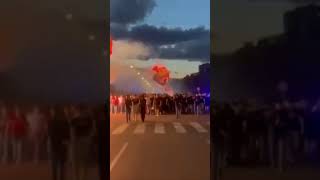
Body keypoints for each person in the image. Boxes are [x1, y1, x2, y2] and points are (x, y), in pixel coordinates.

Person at [70, 105, 94, 180]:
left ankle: (76, 178)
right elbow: (92, 131)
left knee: (75, 164)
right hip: (85, 142)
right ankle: (83, 178)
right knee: (84, 163)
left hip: (76, 143)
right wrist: (89, 140)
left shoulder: (74, 120)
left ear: (77, 110)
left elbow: (72, 133)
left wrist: (72, 144)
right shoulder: (88, 119)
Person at [48, 106, 70, 180]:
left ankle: (55, 178)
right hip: (63, 144)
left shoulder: (51, 121)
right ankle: (62, 178)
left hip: (54, 144)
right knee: (62, 164)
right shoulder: (65, 121)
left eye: (52, 111)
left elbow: (50, 134)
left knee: (55, 164)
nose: (51, 112)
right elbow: (68, 134)